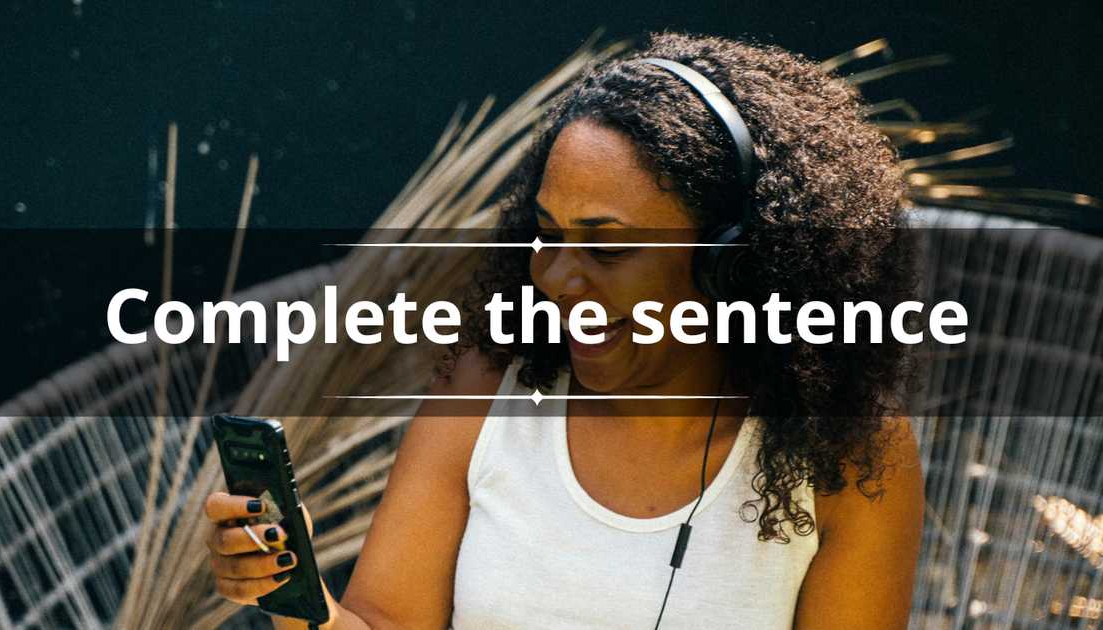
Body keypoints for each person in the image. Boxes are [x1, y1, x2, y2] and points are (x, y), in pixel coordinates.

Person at [204, 31, 924, 629]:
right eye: (547, 235)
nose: (556, 278)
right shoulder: (486, 389)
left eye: (607, 248)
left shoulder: (844, 446)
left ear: (731, 265)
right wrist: (295, 596)